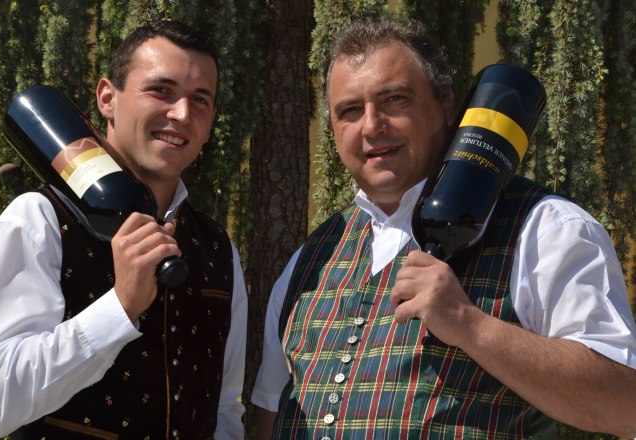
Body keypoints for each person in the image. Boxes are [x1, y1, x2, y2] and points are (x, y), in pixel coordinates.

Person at [251, 15, 636, 439]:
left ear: (446, 105)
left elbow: (624, 406)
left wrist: (470, 324)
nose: (371, 126)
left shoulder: (546, 228)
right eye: (350, 111)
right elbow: (270, 417)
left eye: (395, 100)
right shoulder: (312, 257)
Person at [0, 20, 247, 439]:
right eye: (161, 90)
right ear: (107, 98)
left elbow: (223, 410)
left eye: (200, 99)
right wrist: (120, 308)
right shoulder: (38, 220)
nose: (182, 114)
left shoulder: (219, 249)